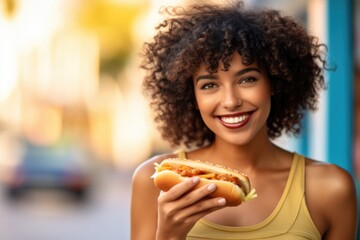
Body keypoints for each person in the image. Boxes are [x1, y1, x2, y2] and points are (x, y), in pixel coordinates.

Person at [131, 1, 358, 239]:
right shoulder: (152, 182)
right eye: (209, 85)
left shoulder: (330, 187)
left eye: (247, 79)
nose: (230, 101)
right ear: (192, 97)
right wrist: (169, 235)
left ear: (274, 82)